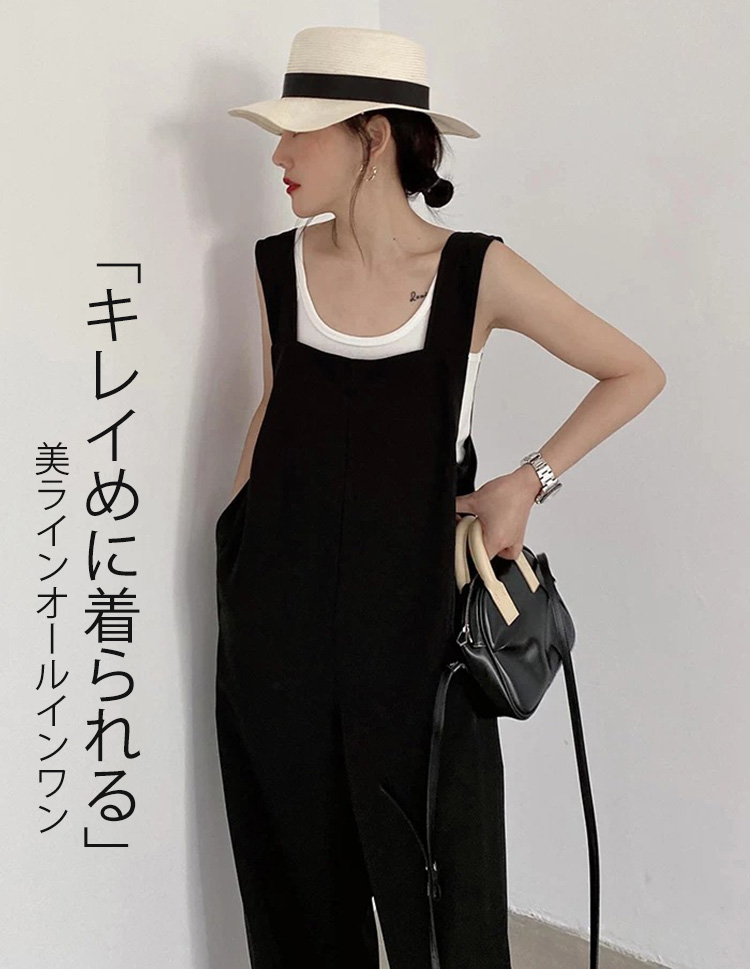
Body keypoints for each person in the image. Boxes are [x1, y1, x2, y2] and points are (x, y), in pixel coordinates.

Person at [214, 26, 667, 969]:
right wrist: (239, 541)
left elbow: (633, 371)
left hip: (418, 643)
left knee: (448, 901)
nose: (279, 154)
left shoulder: (475, 273)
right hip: (276, 632)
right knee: (295, 896)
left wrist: (528, 482)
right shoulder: (275, 265)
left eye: (300, 131)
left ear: (372, 137)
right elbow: (274, 410)